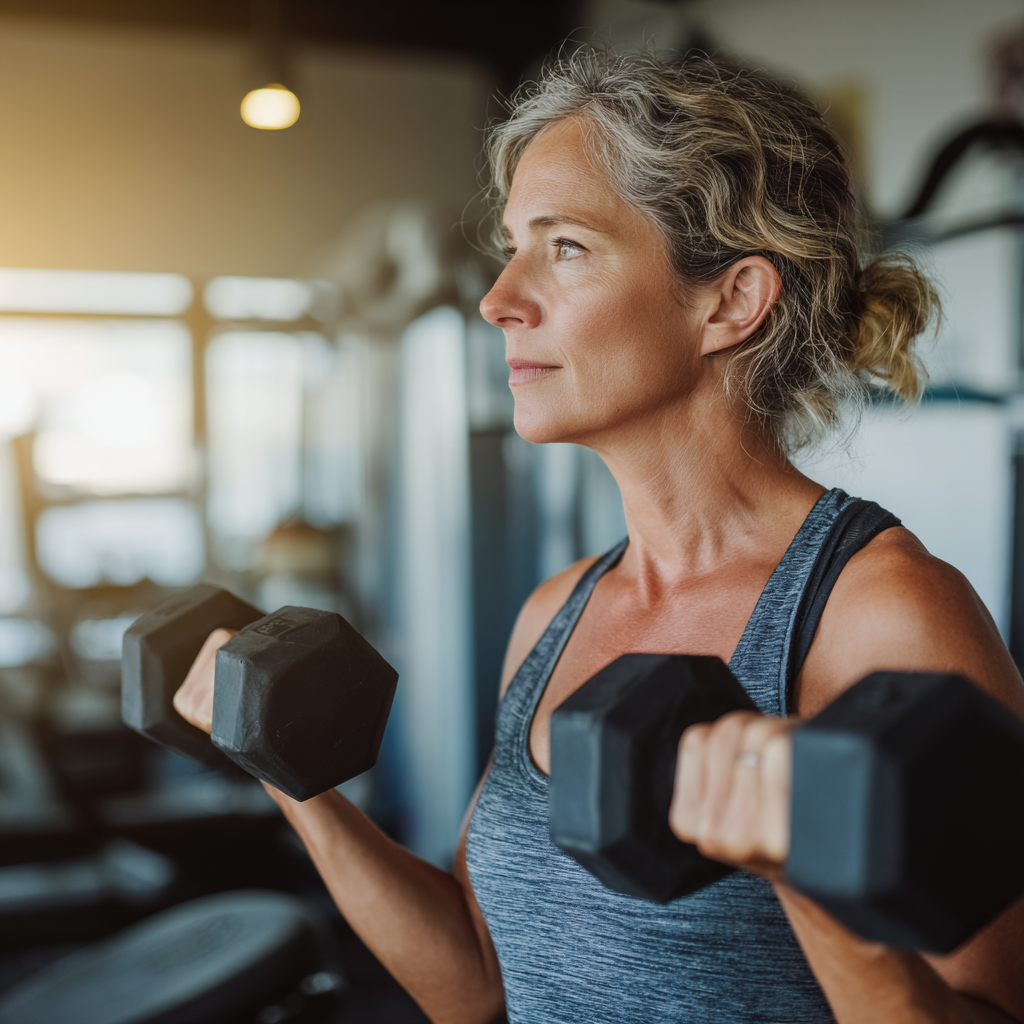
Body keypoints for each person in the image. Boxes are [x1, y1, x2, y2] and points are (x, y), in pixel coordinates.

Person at [173, 52, 1024, 1024]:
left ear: (730, 300)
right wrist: (295, 782)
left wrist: (809, 882)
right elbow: (479, 983)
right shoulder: (558, 610)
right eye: (512, 246)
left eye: (565, 245)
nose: (498, 299)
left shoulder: (882, 615)